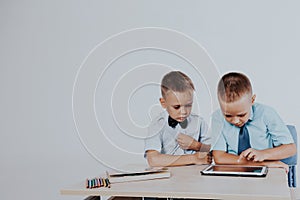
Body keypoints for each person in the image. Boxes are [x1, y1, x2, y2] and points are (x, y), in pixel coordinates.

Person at [210, 72, 296, 172]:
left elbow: (290, 148)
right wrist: (263, 163)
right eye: (228, 115)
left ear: (252, 100)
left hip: (265, 173)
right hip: (234, 170)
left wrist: (263, 154)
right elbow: (219, 157)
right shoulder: (217, 117)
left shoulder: (266, 113)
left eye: (241, 115)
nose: (235, 121)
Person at [144, 71, 211, 167]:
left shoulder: (199, 122)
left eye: (188, 105)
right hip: (169, 178)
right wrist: (193, 158)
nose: (183, 112)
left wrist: (196, 145)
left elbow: (214, 152)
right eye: (176, 107)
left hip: (196, 177)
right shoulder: (158, 124)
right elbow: (153, 160)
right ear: (163, 103)